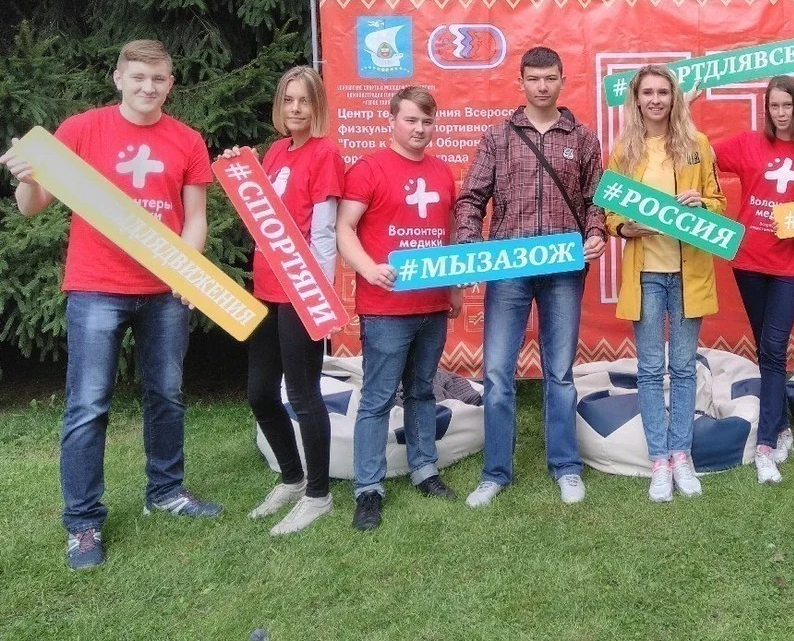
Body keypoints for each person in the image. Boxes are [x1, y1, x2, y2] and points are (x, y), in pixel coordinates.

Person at [1, 40, 221, 571]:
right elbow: (32, 208)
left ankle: (165, 491)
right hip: (97, 285)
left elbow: (194, 217)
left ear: (170, 84)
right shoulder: (81, 129)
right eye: (138, 77)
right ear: (118, 78)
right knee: (88, 404)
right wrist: (25, 179)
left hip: (164, 292)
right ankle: (82, 522)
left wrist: (186, 271)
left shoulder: (187, 140)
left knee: (166, 394)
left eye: (159, 79)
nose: (149, 87)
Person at [454, 46, 607, 508]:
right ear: (520, 82)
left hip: (563, 269)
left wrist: (595, 232)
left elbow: (595, 199)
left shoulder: (583, 138)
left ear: (563, 81)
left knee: (559, 372)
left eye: (550, 78)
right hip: (508, 270)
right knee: (498, 372)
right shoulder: (497, 137)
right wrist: (469, 244)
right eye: (534, 78)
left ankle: (566, 466)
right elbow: (471, 198)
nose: (542, 86)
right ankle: (495, 472)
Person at [222, 67, 345, 535]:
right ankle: (293, 478)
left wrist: (319, 297)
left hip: (301, 291)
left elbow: (325, 232)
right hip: (266, 290)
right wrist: (238, 169)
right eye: (289, 100)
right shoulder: (275, 152)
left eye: (304, 101)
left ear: (317, 107)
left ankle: (319, 495)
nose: (296, 108)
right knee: (259, 392)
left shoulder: (325, 153)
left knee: (303, 394)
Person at [337, 85, 462, 531]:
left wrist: (454, 290)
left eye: (427, 121)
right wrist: (369, 269)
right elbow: (344, 228)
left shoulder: (443, 172)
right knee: (376, 398)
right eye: (411, 120)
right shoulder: (369, 168)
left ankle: (425, 469)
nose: (420, 129)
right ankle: (368, 488)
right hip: (386, 307)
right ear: (392, 120)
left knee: (423, 390)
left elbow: (449, 233)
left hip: (432, 304)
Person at [605, 65, 725, 502]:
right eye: (647, 93)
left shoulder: (697, 144)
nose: (655, 100)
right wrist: (625, 228)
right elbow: (611, 212)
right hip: (647, 275)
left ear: (674, 97)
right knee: (652, 369)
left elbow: (718, 201)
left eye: (663, 92)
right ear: (636, 99)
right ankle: (659, 459)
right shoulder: (624, 150)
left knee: (684, 367)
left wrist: (702, 203)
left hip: (688, 272)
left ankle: (681, 455)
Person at [712, 76, 794, 484]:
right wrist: (683, 106)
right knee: (767, 348)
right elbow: (698, 152)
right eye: (774, 106)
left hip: (789, 265)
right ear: (767, 109)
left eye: (787, 105)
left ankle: (765, 444)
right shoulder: (747, 143)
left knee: (774, 348)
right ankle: (780, 424)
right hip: (749, 260)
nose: (780, 113)